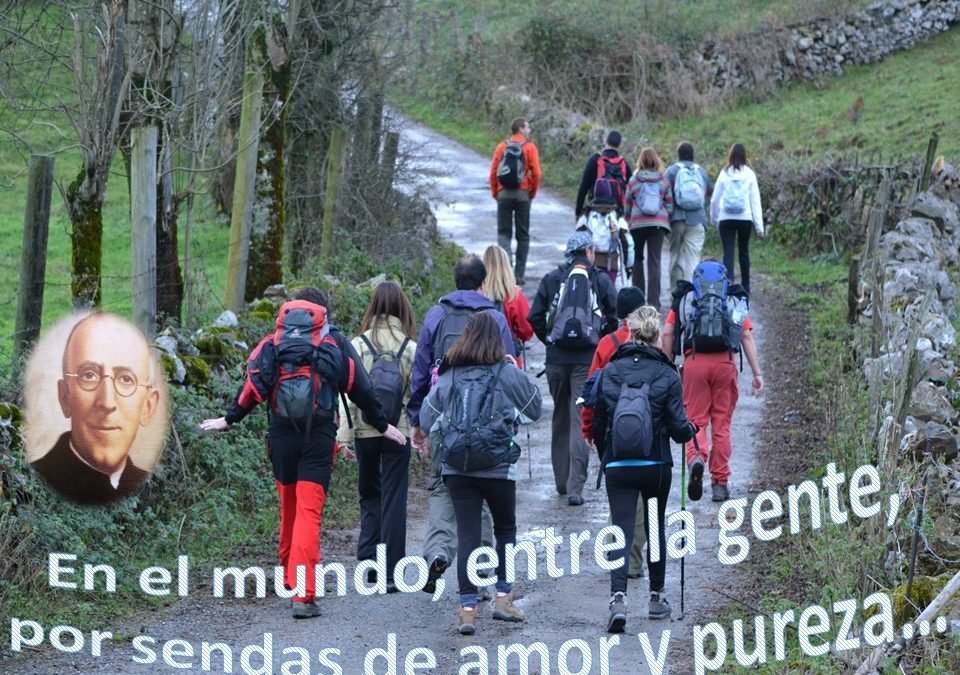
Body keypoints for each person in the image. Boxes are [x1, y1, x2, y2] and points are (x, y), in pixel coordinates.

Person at [200, 287, 406, 619]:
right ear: (321, 312)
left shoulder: (273, 342)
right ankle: (303, 594)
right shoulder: (333, 341)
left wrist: (229, 418)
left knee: (290, 510)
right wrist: (381, 425)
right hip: (319, 437)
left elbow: (255, 385)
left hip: (281, 437)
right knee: (309, 514)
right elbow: (361, 387)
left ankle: (290, 579)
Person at [420, 312, 542, 635]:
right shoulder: (505, 372)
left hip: (457, 467)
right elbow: (535, 408)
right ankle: (503, 599)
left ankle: (467, 610)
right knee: (505, 529)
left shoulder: (451, 373)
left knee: (468, 535)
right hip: (498, 466)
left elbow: (425, 417)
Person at [408, 254, 516, 593]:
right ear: (483, 283)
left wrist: (417, 420)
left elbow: (420, 372)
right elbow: (512, 372)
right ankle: (481, 574)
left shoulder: (436, 315)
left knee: (443, 487)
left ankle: (438, 552)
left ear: (455, 281)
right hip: (488, 422)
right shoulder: (494, 318)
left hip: (445, 419)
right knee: (482, 492)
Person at [586, 306, 696, 631]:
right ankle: (656, 597)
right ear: (656, 335)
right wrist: (690, 431)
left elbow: (599, 423)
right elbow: (678, 429)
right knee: (654, 527)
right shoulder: (666, 374)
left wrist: (609, 458)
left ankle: (617, 599)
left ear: (630, 332)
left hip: (619, 464)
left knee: (619, 529)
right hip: (655, 463)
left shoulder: (611, 371)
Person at [337, 281, 418, 593]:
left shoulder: (357, 345)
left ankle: (369, 567)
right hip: (398, 432)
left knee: (370, 495)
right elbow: (414, 396)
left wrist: (344, 436)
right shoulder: (410, 347)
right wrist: (414, 430)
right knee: (395, 499)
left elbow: (348, 394)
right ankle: (392, 573)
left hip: (364, 430)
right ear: (401, 308)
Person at [31, 313, 162, 505]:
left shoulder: (153, 489)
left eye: (126, 379)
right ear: (65, 396)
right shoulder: (34, 484)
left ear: (148, 406)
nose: (107, 403)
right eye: (89, 376)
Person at [662, 261, 763, 502]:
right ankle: (719, 482)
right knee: (722, 425)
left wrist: (666, 364)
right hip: (724, 364)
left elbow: (667, 331)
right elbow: (746, 335)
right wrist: (757, 373)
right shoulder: (732, 299)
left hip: (694, 363)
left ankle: (696, 457)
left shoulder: (687, 297)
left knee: (695, 421)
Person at [529, 230, 617, 506]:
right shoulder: (599, 280)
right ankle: (576, 488)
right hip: (585, 361)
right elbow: (613, 316)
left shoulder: (554, 279)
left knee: (560, 417)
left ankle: (561, 481)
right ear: (588, 252)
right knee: (580, 419)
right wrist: (599, 344)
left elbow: (535, 317)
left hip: (556, 360)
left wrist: (549, 340)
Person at [581, 287, 647, 579]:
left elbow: (590, 392)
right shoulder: (651, 341)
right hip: (645, 433)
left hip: (612, 433)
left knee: (618, 495)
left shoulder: (607, 345)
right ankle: (632, 561)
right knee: (643, 499)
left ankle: (614, 552)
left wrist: (588, 430)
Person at [489, 117, 542, 285]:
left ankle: (505, 274)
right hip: (522, 194)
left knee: (503, 233)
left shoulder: (501, 147)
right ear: (520, 128)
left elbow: (493, 172)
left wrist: (496, 192)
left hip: (503, 193)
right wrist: (531, 193)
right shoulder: (530, 148)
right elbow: (537, 174)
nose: (529, 131)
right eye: (527, 127)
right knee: (523, 235)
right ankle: (519, 275)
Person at [710, 142, 765, 297]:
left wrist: (714, 219)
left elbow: (715, 199)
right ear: (744, 156)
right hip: (745, 219)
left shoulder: (724, 173)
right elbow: (755, 201)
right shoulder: (749, 174)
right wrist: (759, 227)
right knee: (744, 251)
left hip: (726, 218)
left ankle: (728, 286)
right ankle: (745, 287)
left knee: (728, 252)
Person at [624, 147, 673, 310]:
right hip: (658, 225)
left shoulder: (634, 180)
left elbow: (627, 205)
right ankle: (654, 303)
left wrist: (628, 219)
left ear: (641, 161)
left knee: (637, 260)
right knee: (655, 262)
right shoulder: (663, 181)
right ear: (656, 161)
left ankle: (638, 302)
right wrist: (666, 219)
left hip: (637, 224)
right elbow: (670, 205)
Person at [664, 142, 713, 287]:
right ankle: (692, 292)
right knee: (693, 258)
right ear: (693, 155)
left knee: (675, 256)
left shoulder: (671, 171)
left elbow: (664, 192)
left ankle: (676, 293)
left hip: (676, 220)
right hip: (697, 220)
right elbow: (709, 191)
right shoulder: (702, 172)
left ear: (678, 155)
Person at [482, 244, 534, 367]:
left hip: (481, 358)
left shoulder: (478, 294)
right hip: (509, 360)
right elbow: (527, 330)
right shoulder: (514, 295)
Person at [575, 183, 634, 285]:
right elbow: (628, 244)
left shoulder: (586, 216)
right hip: (611, 265)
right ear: (610, 194)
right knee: (609, 296)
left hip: (590, 264)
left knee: (592, 296)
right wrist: (628, 268)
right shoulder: (617, 216)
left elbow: (576, 243)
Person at [575, 130, 632, 219]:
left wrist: (578, 212)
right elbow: (631, 190)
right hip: (617, 211)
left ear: (605, 141)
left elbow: (583, 188)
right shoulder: (623, 163)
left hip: (597, 209)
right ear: (619, 145)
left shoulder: (595, 160)